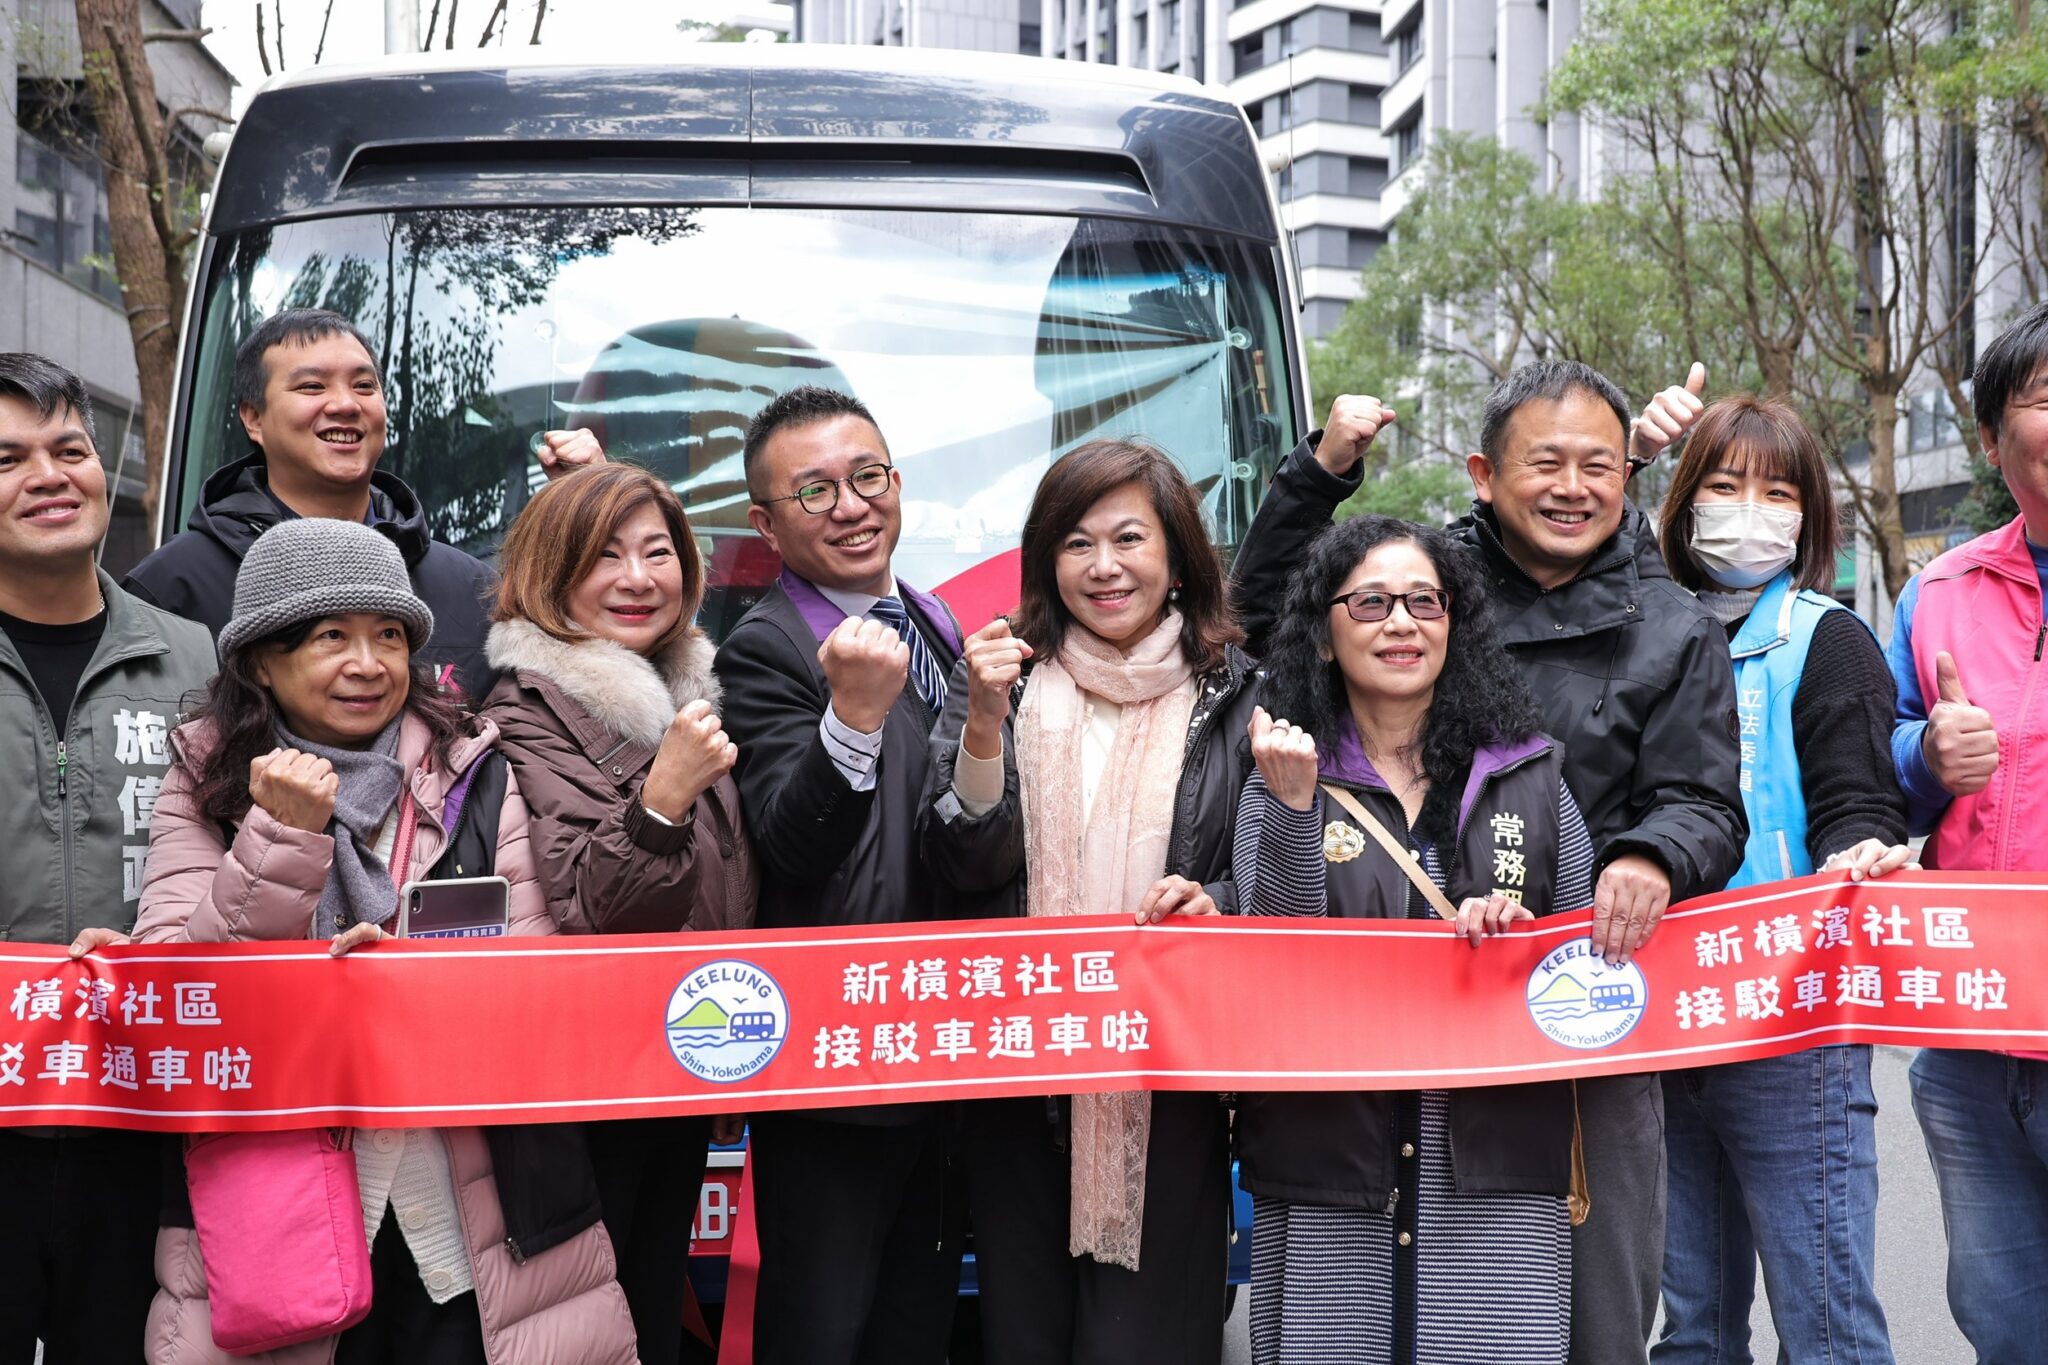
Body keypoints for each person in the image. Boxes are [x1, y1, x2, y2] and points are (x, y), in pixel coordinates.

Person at [1232, 363, 1748, 1365]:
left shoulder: (1673, 626)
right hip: (1366, 1056)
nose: (1401, 625)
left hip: (1576, 999)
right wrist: (1321, 471)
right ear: (1481, 476)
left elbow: (1700, 802)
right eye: (1543, 463)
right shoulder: (1430, 577)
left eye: (1598, 465)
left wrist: (1647, 857)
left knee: (1583, 1313)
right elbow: (1271, 603)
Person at [123, 517, 637, 1365]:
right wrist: (278, 838)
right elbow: (184, 997)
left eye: (389, 636)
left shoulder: (478, 769)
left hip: (481, 1219)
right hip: (282, 1219)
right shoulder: (205, 783)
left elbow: (540, 977)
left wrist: (405, 984)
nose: (368, 664)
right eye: (332, 636)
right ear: (261, 659)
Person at [920, 438, 1256, 1364]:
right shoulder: (1000, 676)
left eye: (1127, 538)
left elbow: (1264, 871)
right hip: (1021, 1070)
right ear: (1046, 561)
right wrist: (983, 727)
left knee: (1147, 1339)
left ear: (1179, 558)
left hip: (1169, 1080)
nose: (1103, 566)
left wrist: (1216, 898)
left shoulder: (1234, 691)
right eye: (1075, 542)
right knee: (1023, 1334)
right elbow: (959, 860)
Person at [1233, 513, 1593, 1363]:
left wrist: (1523, 940)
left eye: (1425, 602)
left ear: (1454, 626)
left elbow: (1590, 967)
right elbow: (1271, 966)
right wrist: (1291, 812)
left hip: (1493, 1177)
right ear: (1322, 634)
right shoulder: (1282, 775)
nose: (1402, 623)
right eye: (1371, 603)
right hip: (1330, 1172)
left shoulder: (1529, 775)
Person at [1633, 387, 1907, 1364]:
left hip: (1787, 1023)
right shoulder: (1644, 633)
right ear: (1680, 501)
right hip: (1658, 1020)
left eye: (1775, 490)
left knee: (1823, 1322)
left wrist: (1859, 852)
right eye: (1721, 485)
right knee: (1691, 1327)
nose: (1747, 510)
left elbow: (1857, 801)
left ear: (1807, 514)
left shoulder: (1825, 640)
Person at [712, 385, 970, 1363]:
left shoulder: (938, 622)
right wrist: (850, 718)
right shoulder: (766, 650)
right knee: (821, 1330)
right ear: (765, 525)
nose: (852, 506)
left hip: (943, 1045)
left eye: (866, 477)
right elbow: (787, 844)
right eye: (815, 492)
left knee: (914, 1326)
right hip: (835, 1066)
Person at [481, 461, 757, 1365]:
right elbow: (588, 910)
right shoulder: (523, 710)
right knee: (596, 1326)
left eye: (657, 552)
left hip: (678, 1065)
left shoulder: (688, 689)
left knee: (650, 1307)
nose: (640, 578)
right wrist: (663, 802)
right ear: (549, 572)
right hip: (586, 1085)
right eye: (605, 555)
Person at [0, 354, 214, 1363]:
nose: (48, 474)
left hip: (148, 1120)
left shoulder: (199, 660)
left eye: (68, 448)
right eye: (8, 459)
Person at [123, 308, 603, 703]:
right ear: (254, 418)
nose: (345, 404)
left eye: (364, 386)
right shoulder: (171, 587)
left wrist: (593, 507)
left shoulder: (472, 589)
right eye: (312, 387)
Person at [1888, 301, 2048, 1362]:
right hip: (1970, 1029)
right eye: (2042, 398)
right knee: (2002, 1321)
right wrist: (1922, 760)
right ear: (1991, 442)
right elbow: (1870, 779)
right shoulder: (1935, 591)